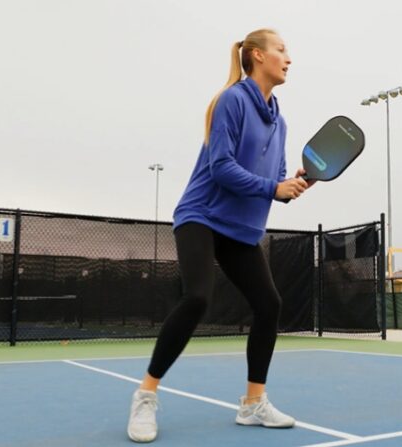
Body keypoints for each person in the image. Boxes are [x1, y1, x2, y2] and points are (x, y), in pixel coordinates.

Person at [127, 29, 312, 442]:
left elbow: (272, 183)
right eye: (281, 50)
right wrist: (272, 188)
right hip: (202, 215)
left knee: (269, 304)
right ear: (257, 56)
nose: (289, 58)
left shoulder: (279, 122)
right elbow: (221, 168)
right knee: (197, 297)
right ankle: (145, 395)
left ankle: (253, 404)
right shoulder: (230, 100)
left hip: (240, 228)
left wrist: (294, 184)